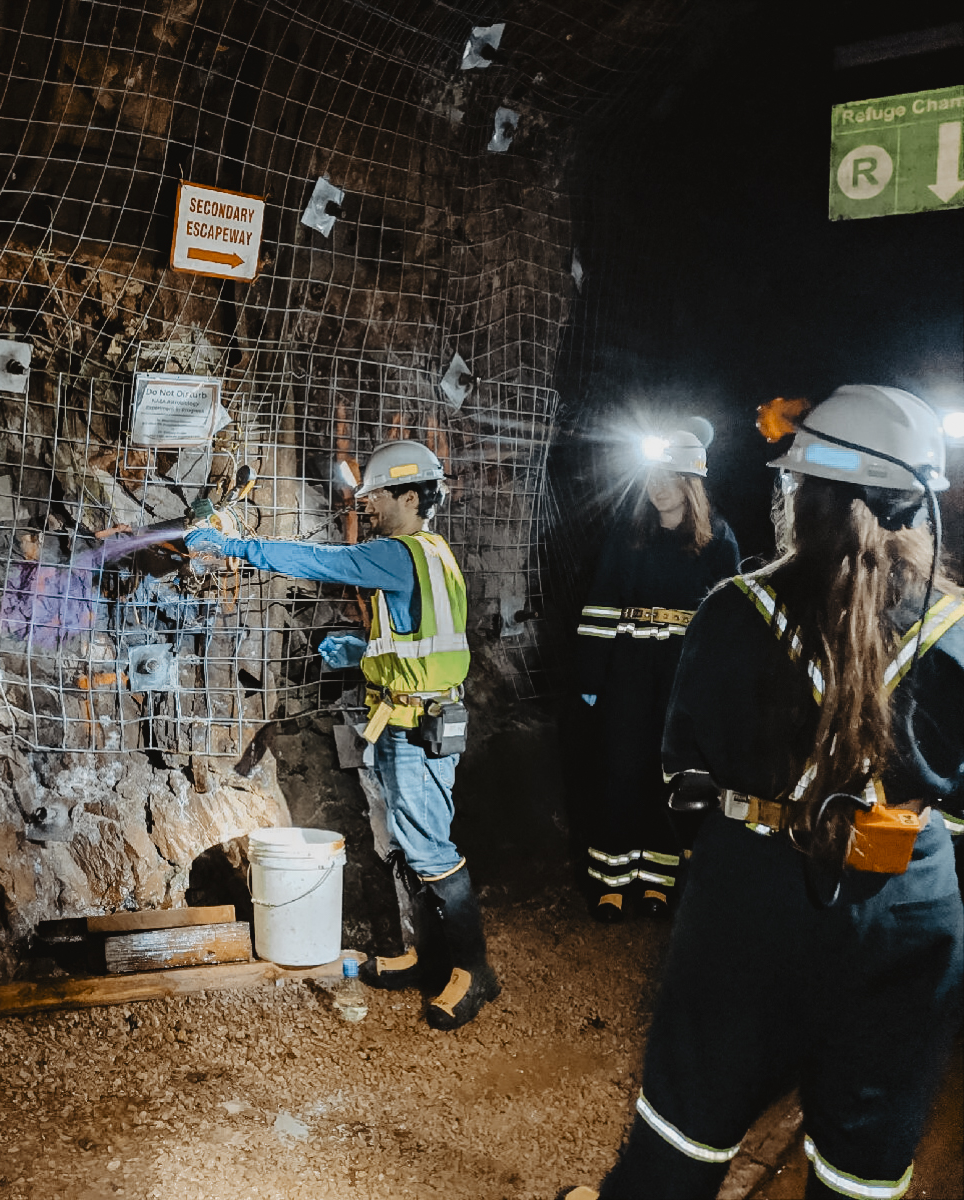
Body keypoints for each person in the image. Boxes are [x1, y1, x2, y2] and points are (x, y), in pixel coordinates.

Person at [565, 385, 964, 1200]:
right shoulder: (956, 629)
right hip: (911, 910)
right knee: (862, 1167)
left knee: (684, 1133)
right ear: (920, 502)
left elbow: (685, 768)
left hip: (756, 892)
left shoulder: (738, 612)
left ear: (809, 497)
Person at [184, 440, 499, 1030]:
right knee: (406, 842)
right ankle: (428, 958)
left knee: (430, 848)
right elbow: (424, 638)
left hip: (416, 727)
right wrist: (367, 652)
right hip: (406, 716)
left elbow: (323, 562)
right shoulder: (433, 555)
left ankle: (472, 971)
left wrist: (233, 546)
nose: (369, 505)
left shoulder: (401, 553)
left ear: (410, 496)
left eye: (377, 495)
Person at [574, 426, 739, 921]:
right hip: (628, 669)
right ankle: (610, 882)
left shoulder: (718, 540)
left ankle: (658, 883)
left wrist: (715, 687)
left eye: (670, 476)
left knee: (668, 777)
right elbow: (601, 605)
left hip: (679, 675)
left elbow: (726, 621)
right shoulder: (629, 536)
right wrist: (590, 676)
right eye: (652, 476)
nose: (658, 486)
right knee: (620, 769)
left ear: (692, 482)